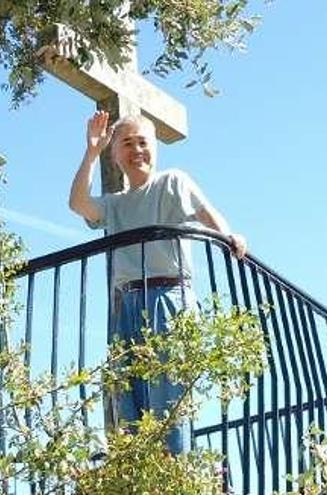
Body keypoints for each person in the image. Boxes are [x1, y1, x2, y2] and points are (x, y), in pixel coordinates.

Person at [68, 111, 247, 454]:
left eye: (143, 142)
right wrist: (92, 151)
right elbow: (78, 203)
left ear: (155, 148)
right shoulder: (115, 204)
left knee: (170, 396)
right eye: (127, 143)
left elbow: (208, 215)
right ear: (115, 154)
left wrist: (228, 236)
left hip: (168, 296)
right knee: (126, 396)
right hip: (126, 304)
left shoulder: (173, 182)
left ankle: (175, 476)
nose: (137, 149)